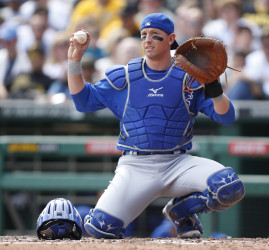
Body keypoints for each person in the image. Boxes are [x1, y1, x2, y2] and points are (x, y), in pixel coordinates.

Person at [67, 13, 245, 239]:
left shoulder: (190, 78)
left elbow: (227, 117)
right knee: (100, 229)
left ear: (171, 39)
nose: (148, 40)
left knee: (229, 187)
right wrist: (74, 63)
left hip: (178, 163)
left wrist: (214, 88)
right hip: (135, 165)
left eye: (155, 36)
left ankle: (180, 210)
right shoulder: (125, 76)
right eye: (144, 35)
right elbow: (83, 102)